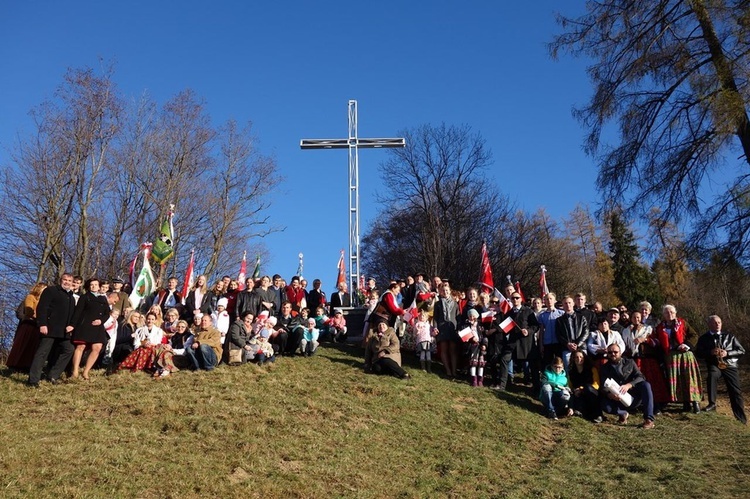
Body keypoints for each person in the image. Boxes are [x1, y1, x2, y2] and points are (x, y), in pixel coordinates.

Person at [695, 315, 746, 424]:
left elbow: (741, 350)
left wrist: (727, 353)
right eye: (714, 322)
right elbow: (698, 353)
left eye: (719, 322)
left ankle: (741, 418)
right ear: (709, 324)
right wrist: (710, 352)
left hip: (729, 364)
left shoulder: (729, 336)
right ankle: (712, 404)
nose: (717, 324)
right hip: (714, 364)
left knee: (735, 391)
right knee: (712, 376)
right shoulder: (703, 338)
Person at [28, 273, 77, 387]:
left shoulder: (71, 296)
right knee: (42, 353)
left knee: (69, 349)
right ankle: (33, 380)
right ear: (61, 280)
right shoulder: (51, 291)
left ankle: (53, 375)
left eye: (69, 280)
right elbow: (42, 307)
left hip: (63, 331)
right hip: (49, 328)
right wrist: (42, 324)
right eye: (65, 280)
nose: (67, 282)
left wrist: (71, 325)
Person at [655, 304, 702, 413]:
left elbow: (694, 335)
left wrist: (687, 345)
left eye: (671, 312)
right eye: (666, 312)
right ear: (663, 315)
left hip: (685, 354)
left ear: (675, 313)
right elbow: (658, 342)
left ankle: (695, 402)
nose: (669, 314)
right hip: (670, 357)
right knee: (678, 381)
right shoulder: (660, 327)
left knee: (689, 378)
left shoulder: (683, 323)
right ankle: (685, 403)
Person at [69, 279, 119, 380]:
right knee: (81, 346)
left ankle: (86, 372)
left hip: (97, 326)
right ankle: (75, 371)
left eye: (96, 285)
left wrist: (101, 321)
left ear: (99, 286)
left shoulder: (103, 299)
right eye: (91, 285)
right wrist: (72, 325)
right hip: (84, 325)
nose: (93, 286)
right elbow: (78, 312)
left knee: (97, 347)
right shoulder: (85, 297)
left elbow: (106, 313)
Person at [598, 344, 656, 429]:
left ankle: (649, 419)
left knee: (646, 385)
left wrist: (629, 385)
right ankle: (622, 413)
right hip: (616, 399)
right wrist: (610, 395)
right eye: (610, 352)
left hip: (632, 396)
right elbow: (602, 386)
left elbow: (641, 377)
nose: (613, 354)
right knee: (603, 404)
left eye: (615, 352)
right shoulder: (604, 368)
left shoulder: (630, 362)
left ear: (620, 353)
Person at [624, 311, 669, 411]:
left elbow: (657, 343)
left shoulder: (648, 329)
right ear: (631, 319)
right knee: (635, 381)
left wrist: (645, 340)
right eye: (634, 317)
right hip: (634, 360)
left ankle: (656, 405)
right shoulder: (626, 330)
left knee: (652, 381)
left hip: (648, 359)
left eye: (638, 317)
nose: (636, 319)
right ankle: (637, 404)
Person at [118, 311, 177, 377]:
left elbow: (157, 342)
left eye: (152, 319)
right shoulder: (139, 330)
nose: (150, 321)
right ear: (146, 319)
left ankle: (156, 367)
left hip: (154, 348)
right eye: (149, 319)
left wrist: (150, 343)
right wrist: (142, 344)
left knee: (153, 350)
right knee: (143, 350)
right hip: (142, 348)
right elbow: (136, 343)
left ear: (155, 321)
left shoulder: (158, 330)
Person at [6, 282, 47, 370]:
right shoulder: (30, 297)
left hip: (37, 325)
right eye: (44, 289)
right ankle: (15, 364)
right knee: (22, 344)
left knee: (32, 346)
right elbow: (28, 311)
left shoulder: (44, 301)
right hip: (28, 324)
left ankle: (27, 365)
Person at [507, 291, 541, 392]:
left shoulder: (528, 311)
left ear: (521, 299)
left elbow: (535, 326)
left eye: (517, 298)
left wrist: (529, 331)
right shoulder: (509, 313)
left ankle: (537, 388)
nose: (515, 300)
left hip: (527, 343)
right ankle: (505, 382)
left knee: (533, 367)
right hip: (514, 343)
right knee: (505, 359)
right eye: (513, 298)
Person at [434, 280, 460, 379]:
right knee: (444, 349)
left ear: (450, 291)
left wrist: (458, 328)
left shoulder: (455, 303)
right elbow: (436, 317)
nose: (445, 292)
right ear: (440, 292)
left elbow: (458, 317)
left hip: (452, 328)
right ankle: (448, 371)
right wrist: (435, 327)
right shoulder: (438, 303)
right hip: (442, 328)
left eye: (447, 290)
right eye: (443, 291)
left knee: (453, 350)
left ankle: (454, 371)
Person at [555, 295, 590, 368]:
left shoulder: (581, 317)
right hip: (567, 349)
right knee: (569, 369)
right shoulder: (559, 320)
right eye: (565, 303)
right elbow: (558, 335)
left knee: (584, 368)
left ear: (573, 303)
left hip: (581, 347)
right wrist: (567, 344)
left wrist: (577, 344)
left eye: (569, 303)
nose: (568, 305)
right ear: (563, 305)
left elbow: (586, 332)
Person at [567, 350, 601, 421]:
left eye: (581, 357)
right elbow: (570, 386)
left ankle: (598, 414)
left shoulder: (592, 369)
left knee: (588, 388)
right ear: (573, 358)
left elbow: (596, 384)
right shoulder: (571, 372)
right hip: (578, 395)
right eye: (576, 357)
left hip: (591, 393)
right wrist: (574, 390)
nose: (579, 359)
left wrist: (581, 389)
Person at [462, 308, 488, 387]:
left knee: (481, 364)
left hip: (480, 346)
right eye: (470, 316)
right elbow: (464, 335)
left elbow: (484, 336)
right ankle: (474, 379)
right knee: (473, 363)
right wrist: (471, 339)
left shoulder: (480, 325)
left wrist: (484, 344)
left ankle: (480, 380)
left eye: (473, 316)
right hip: (472, 346)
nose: (472, 317)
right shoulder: (466, 325)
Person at [538, 292, 563, 367]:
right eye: (547, 299)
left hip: (558, 342)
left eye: (551, 299)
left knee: (559, 362)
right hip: (547, 343)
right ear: (544, 301)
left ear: (555, 300)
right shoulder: (542, 316)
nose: (549, 301)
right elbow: (541, 331)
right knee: (548, 363)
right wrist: (541, 345)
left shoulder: (561, 313)